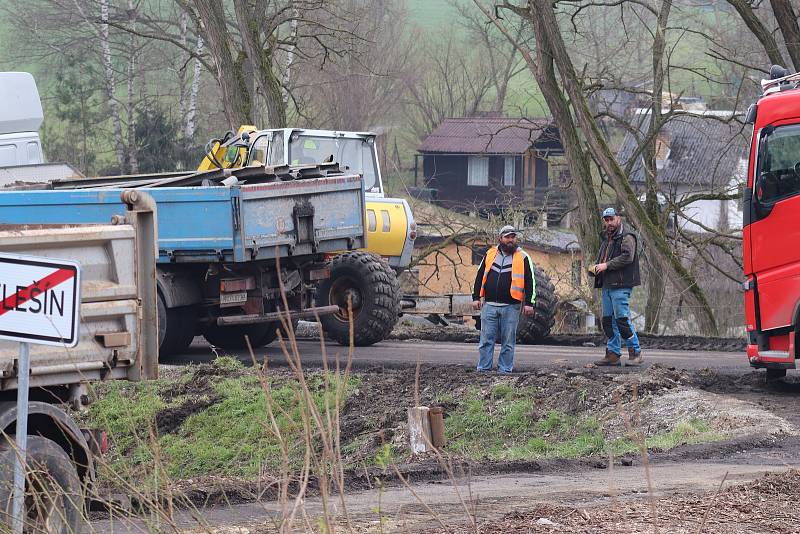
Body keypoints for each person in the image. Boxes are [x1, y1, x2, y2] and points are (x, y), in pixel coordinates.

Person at [472, 225, 536, 373]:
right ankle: (483, 369)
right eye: (507, 237)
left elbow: (530, 280)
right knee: (486, 340)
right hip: (489, 305)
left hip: (511, 306)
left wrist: (530, 303)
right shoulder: (489, 254)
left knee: (508, 342)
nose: (510, 240)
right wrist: (476, 297)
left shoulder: (523, 257)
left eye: (513, 237)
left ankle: (505, 370)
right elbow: (480, 275)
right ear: (500, 238)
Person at [590, 207, 643, 366]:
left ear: (618, 218)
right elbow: (605, 258)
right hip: (607, 284)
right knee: (607, 321)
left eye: (611, 219)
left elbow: (628, 257)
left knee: (622, 320)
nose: (609, 222)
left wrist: (606, 265)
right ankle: (613, 354)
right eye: (606, 220)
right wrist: (595, 269)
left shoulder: (627, 236)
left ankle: (636, 352)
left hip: (621, 284)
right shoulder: (607, 237)